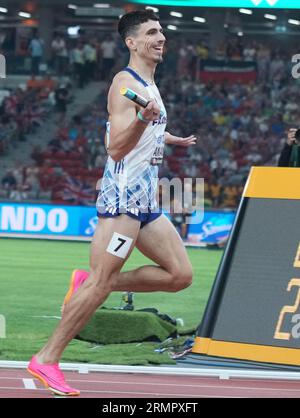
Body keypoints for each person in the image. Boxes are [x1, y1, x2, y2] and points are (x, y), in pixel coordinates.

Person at [27, 10, 196, 397]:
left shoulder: (149, 85)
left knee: (179, 275)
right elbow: (116, 147)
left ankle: (93, 283)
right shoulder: (124, 82)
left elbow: (149, 125)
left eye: (162, 32)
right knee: (104, 283)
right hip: (122, 200)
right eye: (152, 32)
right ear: (131, 42)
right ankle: (47, 358)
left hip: (144, 200)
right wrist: (142, 121)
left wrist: (170, 138)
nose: (161, 37)